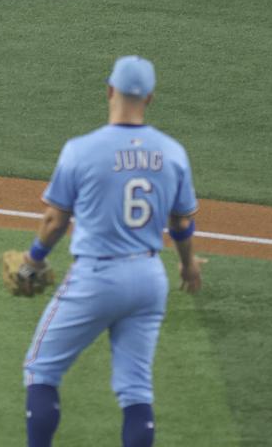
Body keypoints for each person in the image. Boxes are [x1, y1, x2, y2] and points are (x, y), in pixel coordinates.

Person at [17, 55, 201, 447]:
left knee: (40, 370)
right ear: (149, 98)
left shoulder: (82, 149)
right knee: (136, 390)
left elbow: (55, 221)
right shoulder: (172, 153)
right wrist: (188, 267)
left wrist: (34, 260)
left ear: (109, 90)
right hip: (151, 279)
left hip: (98, 277)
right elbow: (182, 224)